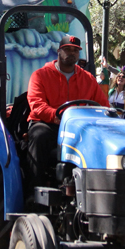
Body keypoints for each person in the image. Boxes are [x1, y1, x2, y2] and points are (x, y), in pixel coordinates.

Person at [26, 35, 108, 187]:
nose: (72, 53)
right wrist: (56, 116)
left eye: (75, 50)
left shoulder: (88, 79)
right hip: (49, 124)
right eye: (67, 49)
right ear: (59, 51)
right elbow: (37, 105)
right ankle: (35, 189)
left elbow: (103, 106)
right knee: (39, 136)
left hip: (79, 127)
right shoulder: (40, 75)